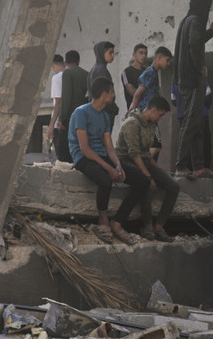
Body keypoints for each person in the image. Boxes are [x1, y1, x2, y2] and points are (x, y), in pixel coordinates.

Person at [69, 77, 149, 245]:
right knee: (105, 181)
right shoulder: (81, 112)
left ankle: (117, 222)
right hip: (83, 158)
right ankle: (103, 219)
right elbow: (85, 149)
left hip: (101, 156)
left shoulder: (105, 116)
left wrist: (118, 166)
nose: (113, 95)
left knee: (142, 180)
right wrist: (109, 169)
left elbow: (109, 147)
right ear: (104, 94)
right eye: (112, 92)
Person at [117, 95, 180, 242]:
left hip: (143, 160)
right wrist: (148, 176)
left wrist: (157, 169)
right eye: (160, 115)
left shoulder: (151, 124)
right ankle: (147, 226)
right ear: (153, 110)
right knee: (147, 185)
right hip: (128, 161)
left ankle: (159, 226)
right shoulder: (132, 123)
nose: (160, 118)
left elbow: (145, 152)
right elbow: (134, 154)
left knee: (174, 187)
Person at [173, 0, 213, 179]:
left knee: (196, 123)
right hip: (192, 80)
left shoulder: (187, 20)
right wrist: (200, 66)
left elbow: (197, 40)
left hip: (187, 79)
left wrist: (211, 32)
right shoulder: (195, 21)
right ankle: (181, 165)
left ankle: (199, 166)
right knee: (190, 123)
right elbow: (194, 43)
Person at [58, 50, 89, 163]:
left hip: (70, 116)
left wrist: (61, 118)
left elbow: (66, 97)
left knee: (65, 150)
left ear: (65, 63)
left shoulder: (67, 73)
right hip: (84, 115)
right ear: (78, 61)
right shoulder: (87, 74)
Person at [87, 41, 120, 130]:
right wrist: (113, 108)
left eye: (113, 52)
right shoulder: (100, 70)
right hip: (103, 112)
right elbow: (103, 95)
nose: (113, 55)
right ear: (102, 53)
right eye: (110, 52)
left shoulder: (97, 68)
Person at [129, 46, 172, 111]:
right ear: (159, 57)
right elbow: (138, 94)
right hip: (144, 111)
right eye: (167, 60)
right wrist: (132, 110)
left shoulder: (154, 72)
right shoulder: (150, 72)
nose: (168, 63)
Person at [46, 54, 66, 157]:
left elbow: (58, 102)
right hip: (71, 122)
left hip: (59, 123)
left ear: (53, 66)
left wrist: (51, 125)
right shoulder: (70, 75)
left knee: (61, 157)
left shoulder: (57, 78)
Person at [122, 44, 148, 109]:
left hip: (147, 109)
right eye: (141, 53)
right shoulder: (127, 72)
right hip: (134, 110)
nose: (144, 56)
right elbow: (131, 92)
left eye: (145, 53)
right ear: (134, 54)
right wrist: (147, 91)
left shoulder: (147, 71)